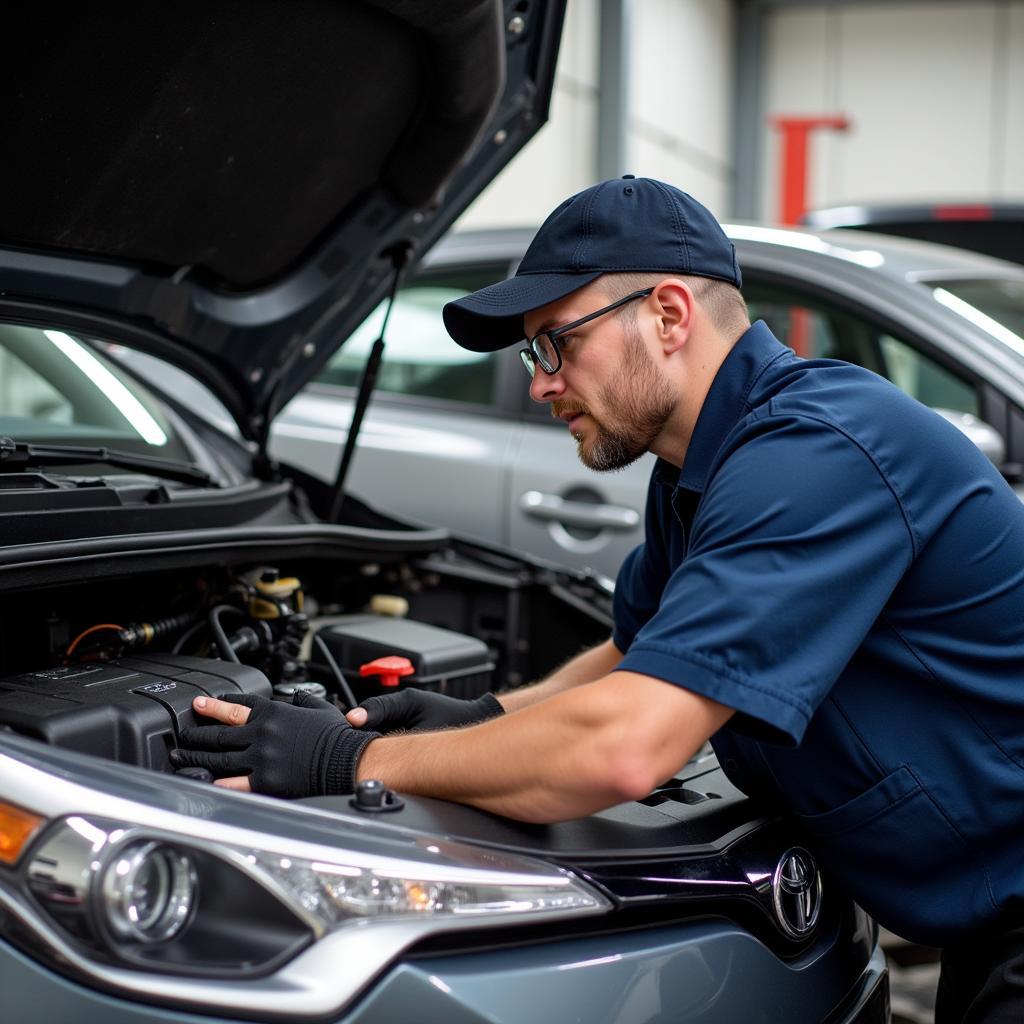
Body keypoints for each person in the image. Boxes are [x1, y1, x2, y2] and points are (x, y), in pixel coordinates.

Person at [173, 177, 1024, 1022]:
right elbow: (634, 656)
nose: (541, 383)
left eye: (555, 343)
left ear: (668, 314)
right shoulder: (697, 465)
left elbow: (625, 747)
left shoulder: (816, 452)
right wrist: (486, 717)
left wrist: (349, 763)